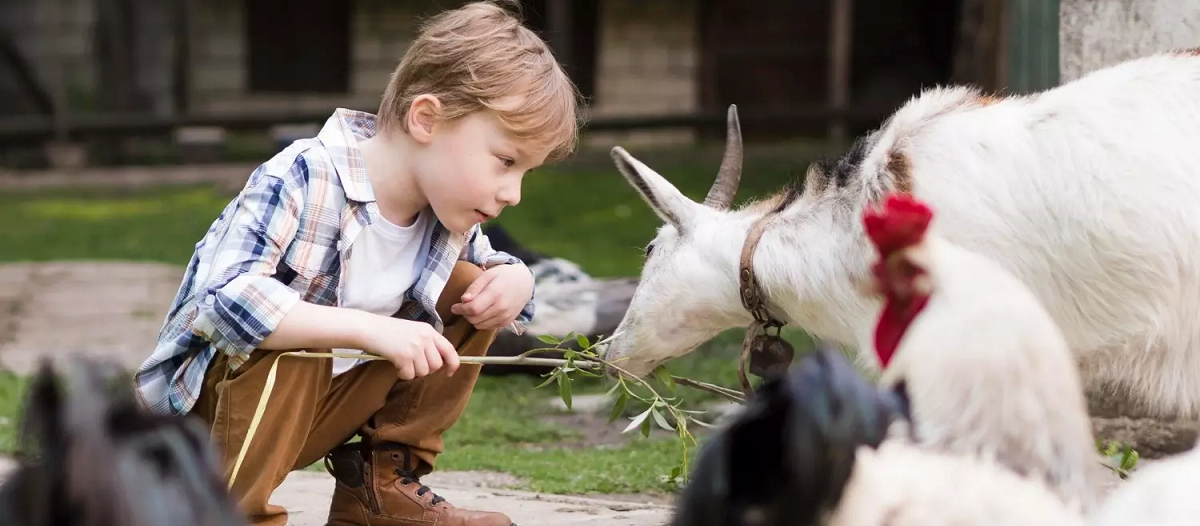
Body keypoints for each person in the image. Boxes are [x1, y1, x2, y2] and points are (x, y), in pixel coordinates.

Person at [132, 2, 581, 525]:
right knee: (303, 328)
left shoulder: (445, 212)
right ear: (427, 119)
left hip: (309, 417)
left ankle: (379, 488)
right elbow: (225, 302)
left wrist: (516, 279)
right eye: (506, 161)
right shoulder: (304, 174)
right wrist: (370, 330)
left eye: (525, 172)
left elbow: (493, 267)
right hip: (202, 434)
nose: (514, 193)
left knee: (475, 289)